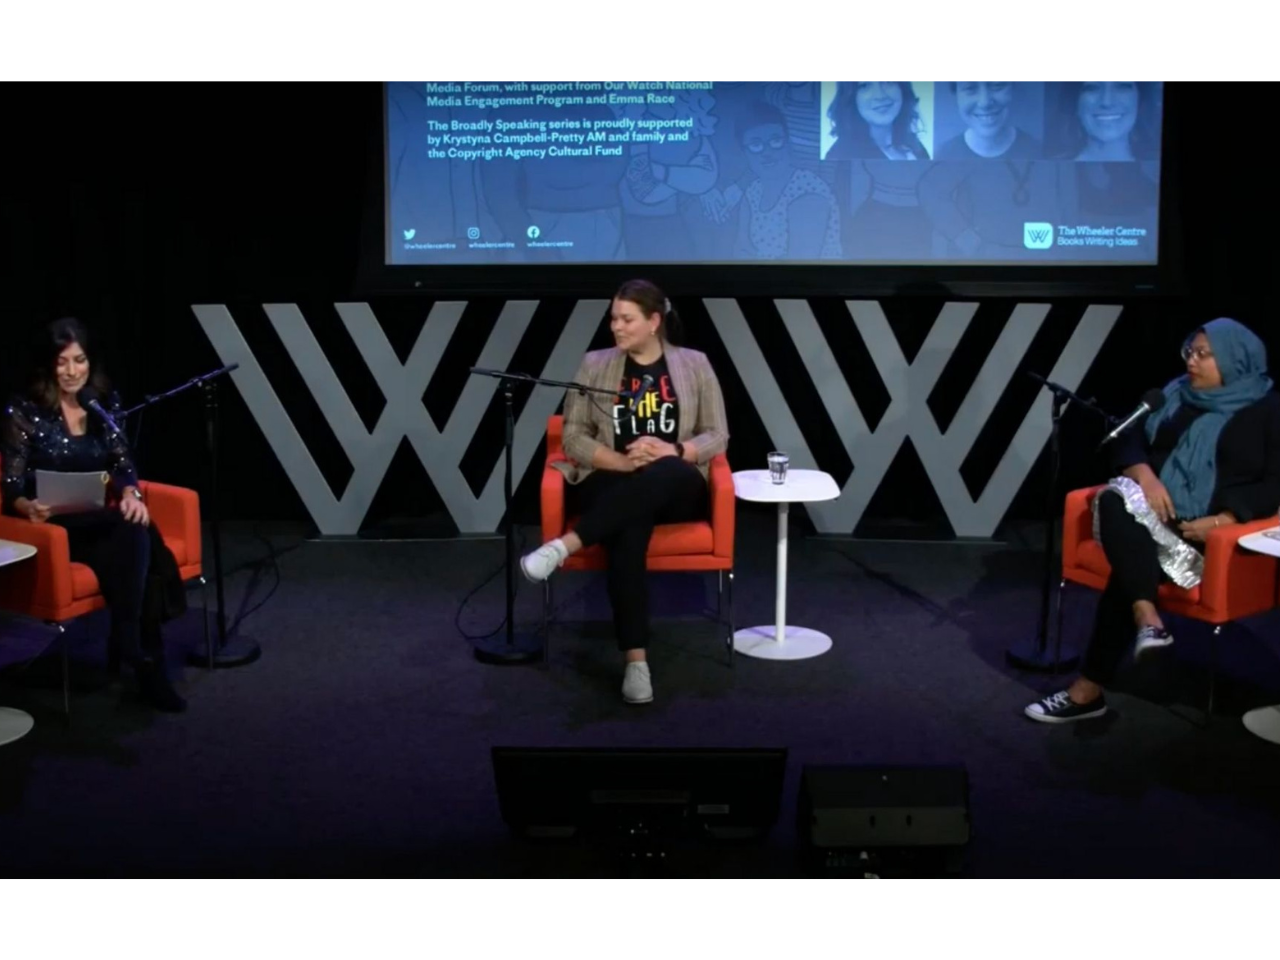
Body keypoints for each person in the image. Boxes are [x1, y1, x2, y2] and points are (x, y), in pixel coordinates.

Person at [1026, 318, 1280, 723]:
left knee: (1127, 569)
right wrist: (1145, 476)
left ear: (1235, 360)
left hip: (1205, 536)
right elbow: (1126, 438)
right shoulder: (1174, 394)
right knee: (1114, 501)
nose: (1191, 361)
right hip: (1148, 517)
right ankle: (1147, 619)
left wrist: (1223, 519)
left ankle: (1088, 690)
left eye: (1203, 354)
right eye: (1189, 351)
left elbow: (1273, 483)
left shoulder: (1266, 410)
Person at [519, 280, 730, 705]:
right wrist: (621, 462)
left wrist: (673, 451)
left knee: (665, 472)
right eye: (613, 318)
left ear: (654, 321)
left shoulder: (694, 364)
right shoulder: (594, 364)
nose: (616, 326)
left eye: (626, 319)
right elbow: (573, 436)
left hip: (675, 484)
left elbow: (717, 434)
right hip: (613, 479)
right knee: (629, 526)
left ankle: (565, 545)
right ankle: (636, 661)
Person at [0, 318, 188, 713]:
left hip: (98, 521)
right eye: (62, 362)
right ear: (48, 365)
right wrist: (28, 507)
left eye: (80, 360)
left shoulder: (101, 402)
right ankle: (142, 658)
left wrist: (132, 494)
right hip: (52, 527)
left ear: (91, 362)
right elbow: (13, 486)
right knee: (142, 540)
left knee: (135, 527)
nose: (72, 371)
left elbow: (122, 463)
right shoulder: (25, 410)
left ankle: (135, 649)